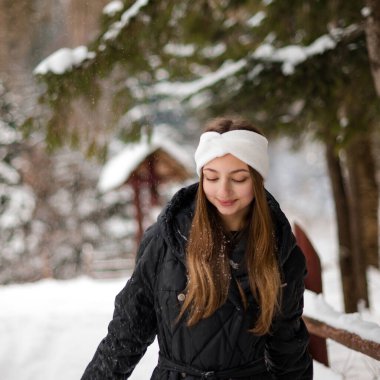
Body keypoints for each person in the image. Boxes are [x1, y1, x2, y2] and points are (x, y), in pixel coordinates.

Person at [81, 117, 313, 379]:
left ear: (258, 180)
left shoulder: (280, 249)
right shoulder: (165, 240)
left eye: (238, 178)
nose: (223, 190)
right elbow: (126, 335)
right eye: (211, 177)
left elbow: (288, 349)